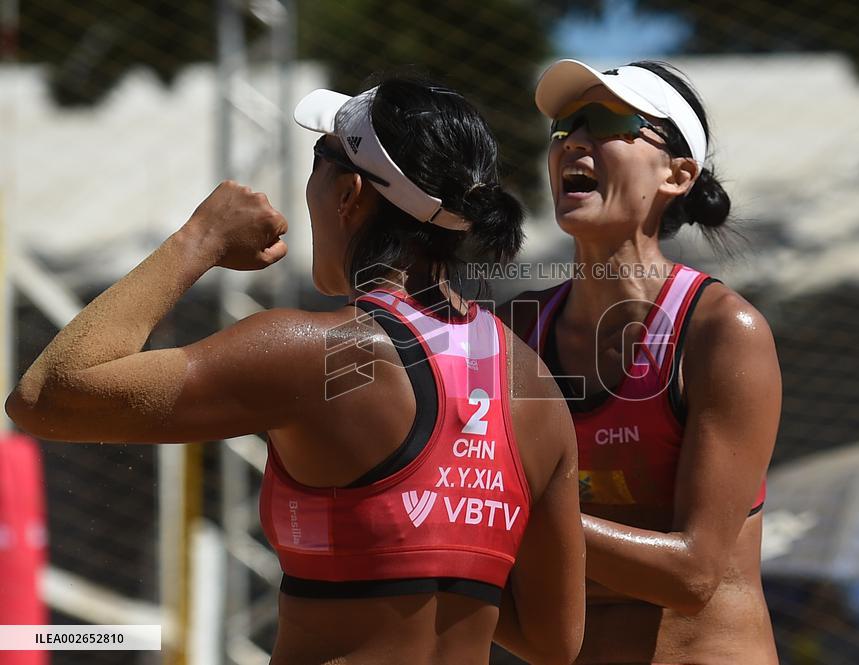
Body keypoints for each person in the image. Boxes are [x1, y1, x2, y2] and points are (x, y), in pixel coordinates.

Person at [6, 75, 585, 665]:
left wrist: (199, 238)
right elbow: (553, 641)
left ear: (348, 193)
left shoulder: (322, 355)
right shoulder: (533, 383)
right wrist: (440, 546)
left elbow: (46, 396)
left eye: (318, 159)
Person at [499, 59, 781, 664]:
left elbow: (692, 576)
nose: (574, 139)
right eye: (566, 127)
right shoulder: (518, 331)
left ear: (678, 174)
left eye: (608, 122)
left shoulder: (721, 331)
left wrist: (507, 508)